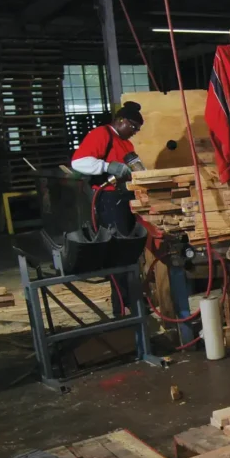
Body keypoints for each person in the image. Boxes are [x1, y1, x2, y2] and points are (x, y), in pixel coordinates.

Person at [69, 101, 145, 315]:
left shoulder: (127, 145)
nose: (134, 132)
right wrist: (106, 166)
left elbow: (136, 166)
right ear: (120, 121)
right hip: (110, 201)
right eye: (133, 127)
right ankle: (121, 306)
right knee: (119, 252)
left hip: (126, 198)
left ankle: (134, 300)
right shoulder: (102, 134)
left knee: (131, 250)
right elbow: (78, 162)